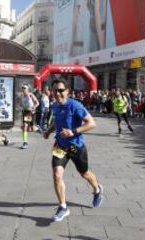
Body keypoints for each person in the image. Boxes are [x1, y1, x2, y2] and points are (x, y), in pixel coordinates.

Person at [43, 79, 103, 222]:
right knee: (57, 175)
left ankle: (97, 189)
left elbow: (92, 123)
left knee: (85, 174)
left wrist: (73, 131)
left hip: (76, 146)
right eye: (55, 91)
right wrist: (49, 131)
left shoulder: (75, 105)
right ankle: (63, 207)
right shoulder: (55, 106)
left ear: (67, 91)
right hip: (60, 146)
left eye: (60, 90)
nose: (57, 93)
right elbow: (56, 121)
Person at [20, 84, 39, 149]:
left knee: (29, 128)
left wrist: (33, 107)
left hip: (30, 112)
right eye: (23, 88)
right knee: (25, 126)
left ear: (28, 89)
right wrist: (22, 107)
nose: (23, 89)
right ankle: (25, 143)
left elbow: (37, 103)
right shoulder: (22, 96)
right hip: (25, 112)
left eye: (25, 88)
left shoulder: (31, 95)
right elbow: (21, 104)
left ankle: (37, 128)